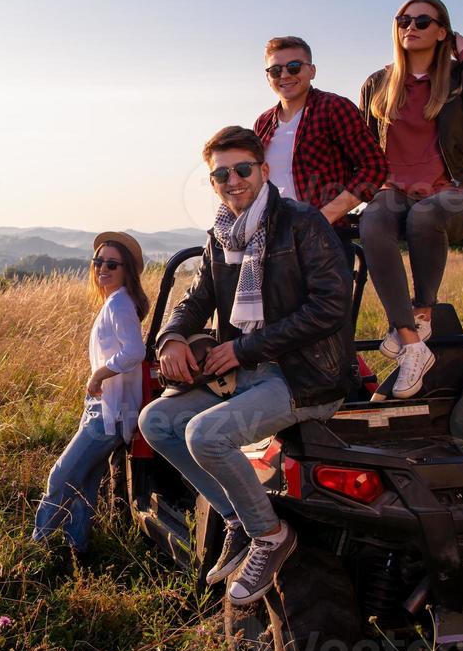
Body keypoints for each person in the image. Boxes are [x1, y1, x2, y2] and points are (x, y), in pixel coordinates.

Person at [139, 126, 356, 606]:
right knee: (155, 420)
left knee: (205, 435)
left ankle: (271, 536)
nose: (232, 180)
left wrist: (245, 349)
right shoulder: (221, 235)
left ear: (264, 169)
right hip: (247, 374)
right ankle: (237, 516)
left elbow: (330, 307)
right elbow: (198, 299)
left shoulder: (302, 223)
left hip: (305, 377)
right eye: (221, 174)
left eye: (242, 169)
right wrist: (172, 336)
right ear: (212, 181)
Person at [358, 0, 463, 399]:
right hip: (394, 192)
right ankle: (410, 338)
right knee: (372, 220)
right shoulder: (378, 83)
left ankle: (423, 310)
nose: (411, 26)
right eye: (404, 19)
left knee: (426, 214)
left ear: (443, 32)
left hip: (455, 193)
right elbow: (364, 149)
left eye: (423, 21)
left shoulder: (459, 79)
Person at [32, 232, 148, 557]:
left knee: (61, 475)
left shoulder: (120, 303)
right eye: (98, 262)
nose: (103, 269)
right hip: (101, 408)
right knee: (83, 485)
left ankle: (35, 549)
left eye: (112, 263)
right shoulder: (114, 302)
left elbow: (134, 351)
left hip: (108, 415)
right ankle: (77, 552)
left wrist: (100, 372)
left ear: (127, 269)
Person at [252, 36, 388, 227]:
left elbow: (374, 167)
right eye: (275, 70)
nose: (284, 75)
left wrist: (322, 218)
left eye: (294, 66)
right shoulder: (263, 123)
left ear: (312, 71)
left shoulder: (333, 107)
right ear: (268, 78)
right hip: (274, 234)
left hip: (324, 238)